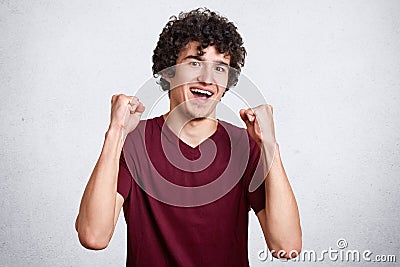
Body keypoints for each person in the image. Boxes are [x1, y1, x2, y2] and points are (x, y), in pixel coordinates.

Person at [75, 8, 302, 266]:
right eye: (195, 63)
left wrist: (270, 144)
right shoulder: (132, 142)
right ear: (168, 71)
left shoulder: (246, 146)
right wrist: (115, 132)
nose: (207, 78)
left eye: (219, 68)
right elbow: (93, 236)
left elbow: (287, 246)